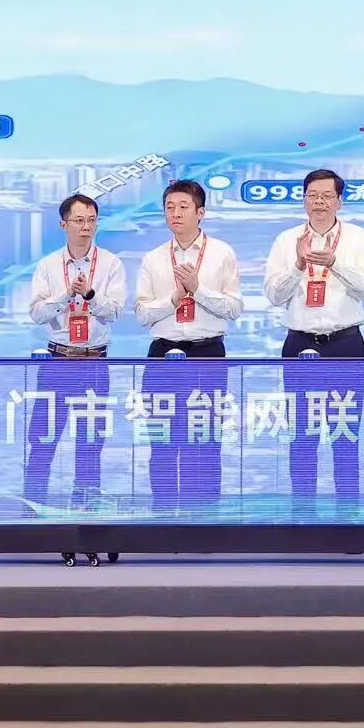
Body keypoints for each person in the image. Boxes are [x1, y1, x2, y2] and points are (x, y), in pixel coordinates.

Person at [263, 169, 364, 507]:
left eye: (327, 196)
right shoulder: (286, 240)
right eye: (313, 195)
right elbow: (273, 295)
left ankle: (348, 514)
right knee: (301, 434)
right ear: (304, 200)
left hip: (345, 343)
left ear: (339, 201)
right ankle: (303, 513)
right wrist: (298, 266)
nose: (319, 202)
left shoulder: (358, 238)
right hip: (299, 344)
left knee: (345, 433)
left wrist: (335, 263)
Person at [132, 178, 241, 512]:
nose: (175, 213)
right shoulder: (153, 258)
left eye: (183, 207)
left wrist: (198, 290)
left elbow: (234, 308)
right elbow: (142, 314)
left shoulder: (222, 253)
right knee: (162, 441)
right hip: (163, 353)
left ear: (200, 212)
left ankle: (204, 518)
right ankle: (164, 516)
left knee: (205, 440)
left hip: (207, 352)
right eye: (169, 207)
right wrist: (174, 299)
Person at [25, 193, 126, 508]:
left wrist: (90, 295)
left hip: (95, 361)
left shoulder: (110, 263)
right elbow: (37, 313)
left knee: (91, 442)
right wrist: (66, 295)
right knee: (43, 439)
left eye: (91, 220)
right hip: (57, 360)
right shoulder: (48, 265)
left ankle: (86, 509)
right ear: (63, 224)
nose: (86, 227)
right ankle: (33, 508)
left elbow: (114, 312)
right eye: (79, 220)